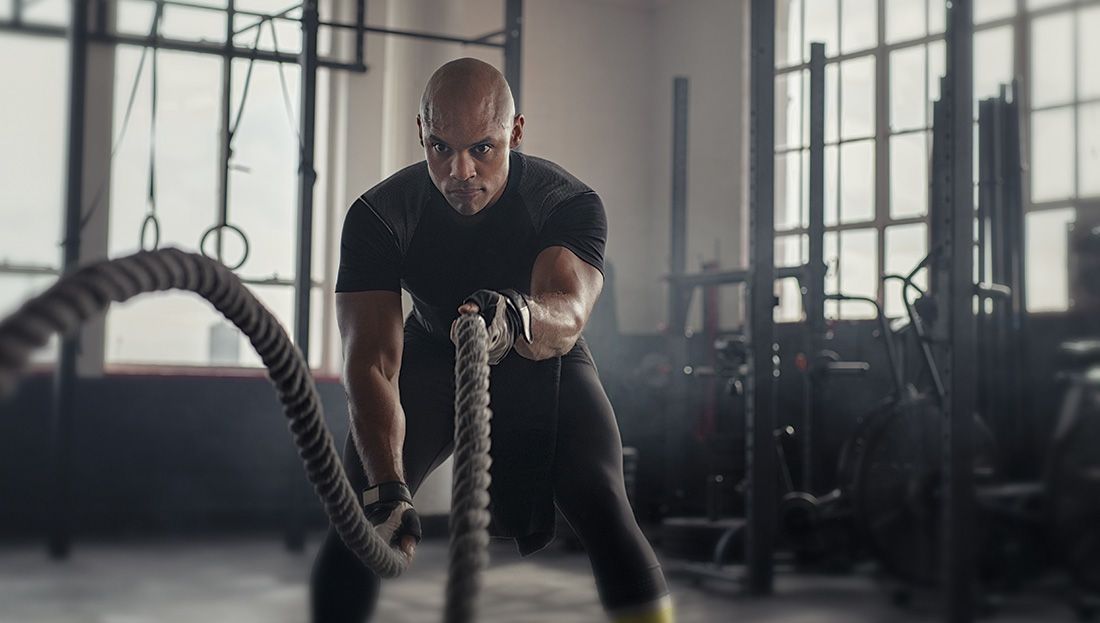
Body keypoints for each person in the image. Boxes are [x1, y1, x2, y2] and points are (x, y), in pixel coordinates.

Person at [310, 57, 674, 623]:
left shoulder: (566, 202)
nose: (459, 171)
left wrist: (516, 316)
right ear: (420, 134)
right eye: (439, 147)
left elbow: (568, 312)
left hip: (537, 346)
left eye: (482, 147)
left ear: (516, 133)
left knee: (600, 498)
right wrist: (388, 486)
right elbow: (373, 362)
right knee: (363, 514)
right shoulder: (379, 217)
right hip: (432, 350)